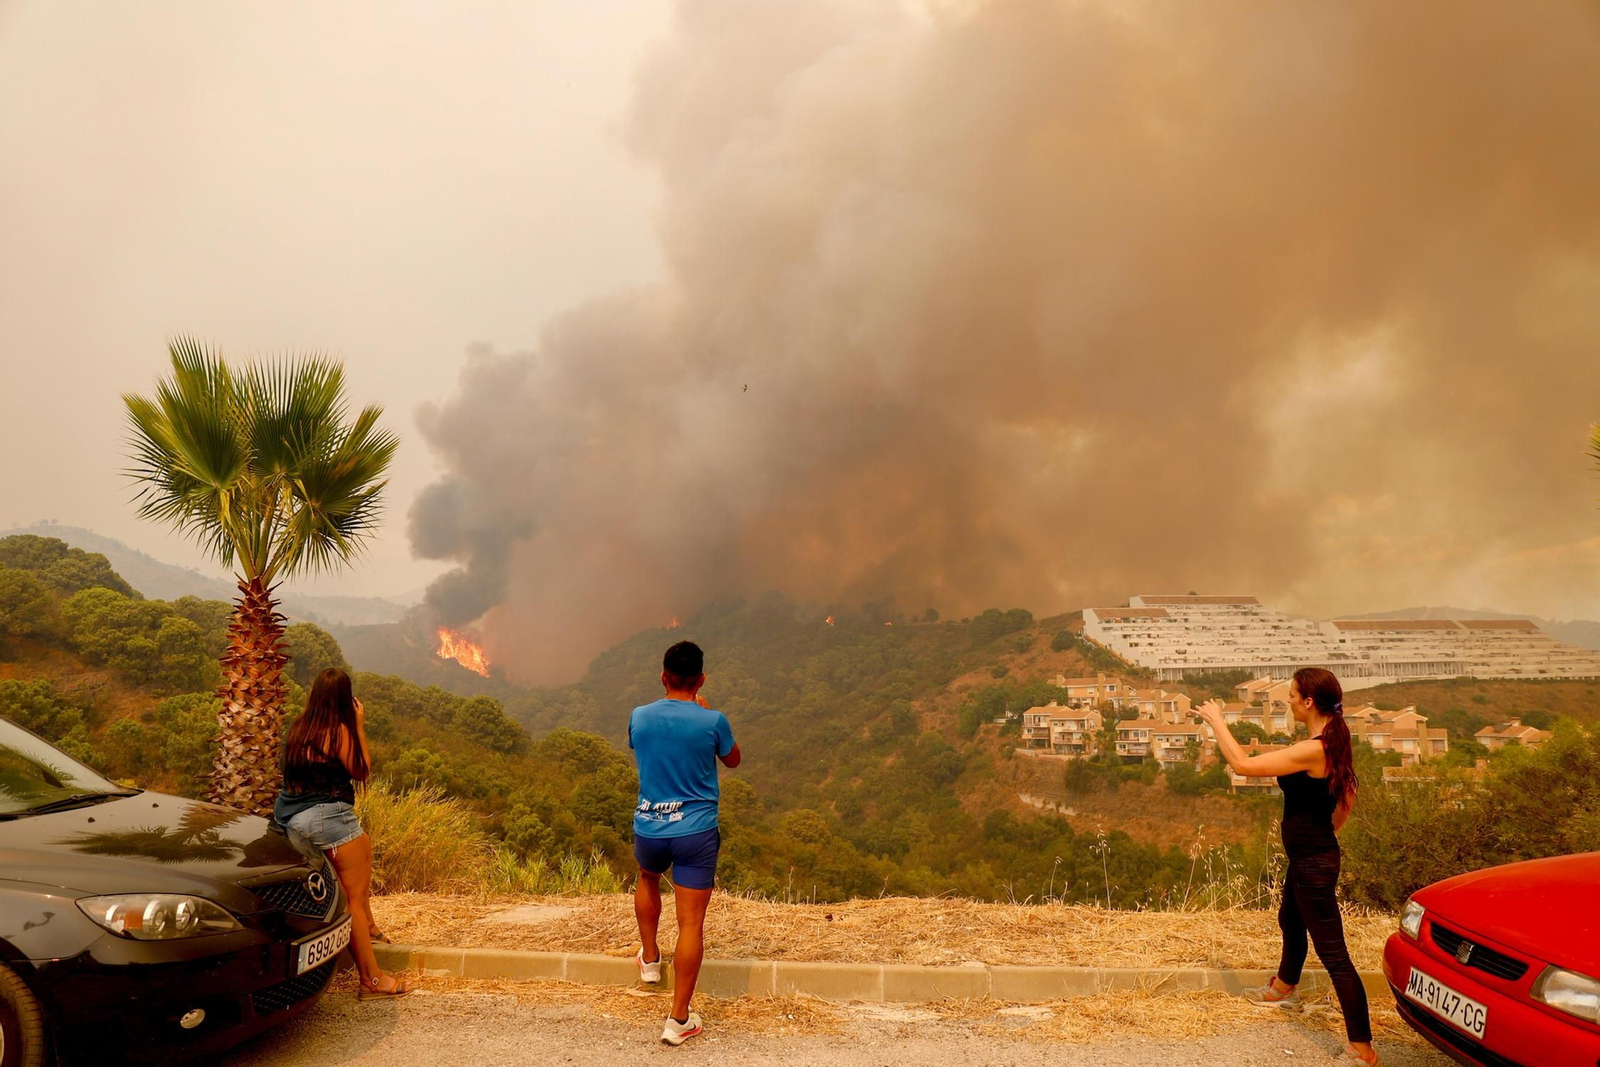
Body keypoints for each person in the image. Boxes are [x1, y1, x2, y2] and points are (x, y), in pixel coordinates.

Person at [1196, 667, 1375, 1065]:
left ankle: (1362, 1048)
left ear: (1309, 701)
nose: (1288, 702)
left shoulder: (1316, 748)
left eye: (1291, 696)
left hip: (1314, 863)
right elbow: (1348, 793)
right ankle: (1284, 987)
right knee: (1290, 920)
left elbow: (1242, 765)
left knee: (1335, 955)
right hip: (1309, 856)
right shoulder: (1329, 739)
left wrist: (1217, 722)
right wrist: (1324, 835)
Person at [273, 668, 411, 1000]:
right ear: (344, 698)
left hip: (291, 817)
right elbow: (361, 769)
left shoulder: (298, 727)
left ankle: (372, 930)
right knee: (353, 901)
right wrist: (359, 727)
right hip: (327, 817)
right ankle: (372, 979)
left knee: (363, 844)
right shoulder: (338, 733)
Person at [628, 640, 741, 1046]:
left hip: (650, 826)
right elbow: (733, 760)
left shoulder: (639, 716)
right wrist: (705, 714)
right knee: (691, 923)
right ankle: (678, 1019)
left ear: (663, 677)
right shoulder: (713, 721)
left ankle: (650, 960)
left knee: (646, 877)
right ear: (701, 679)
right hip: (695, 832)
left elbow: (644, 746)